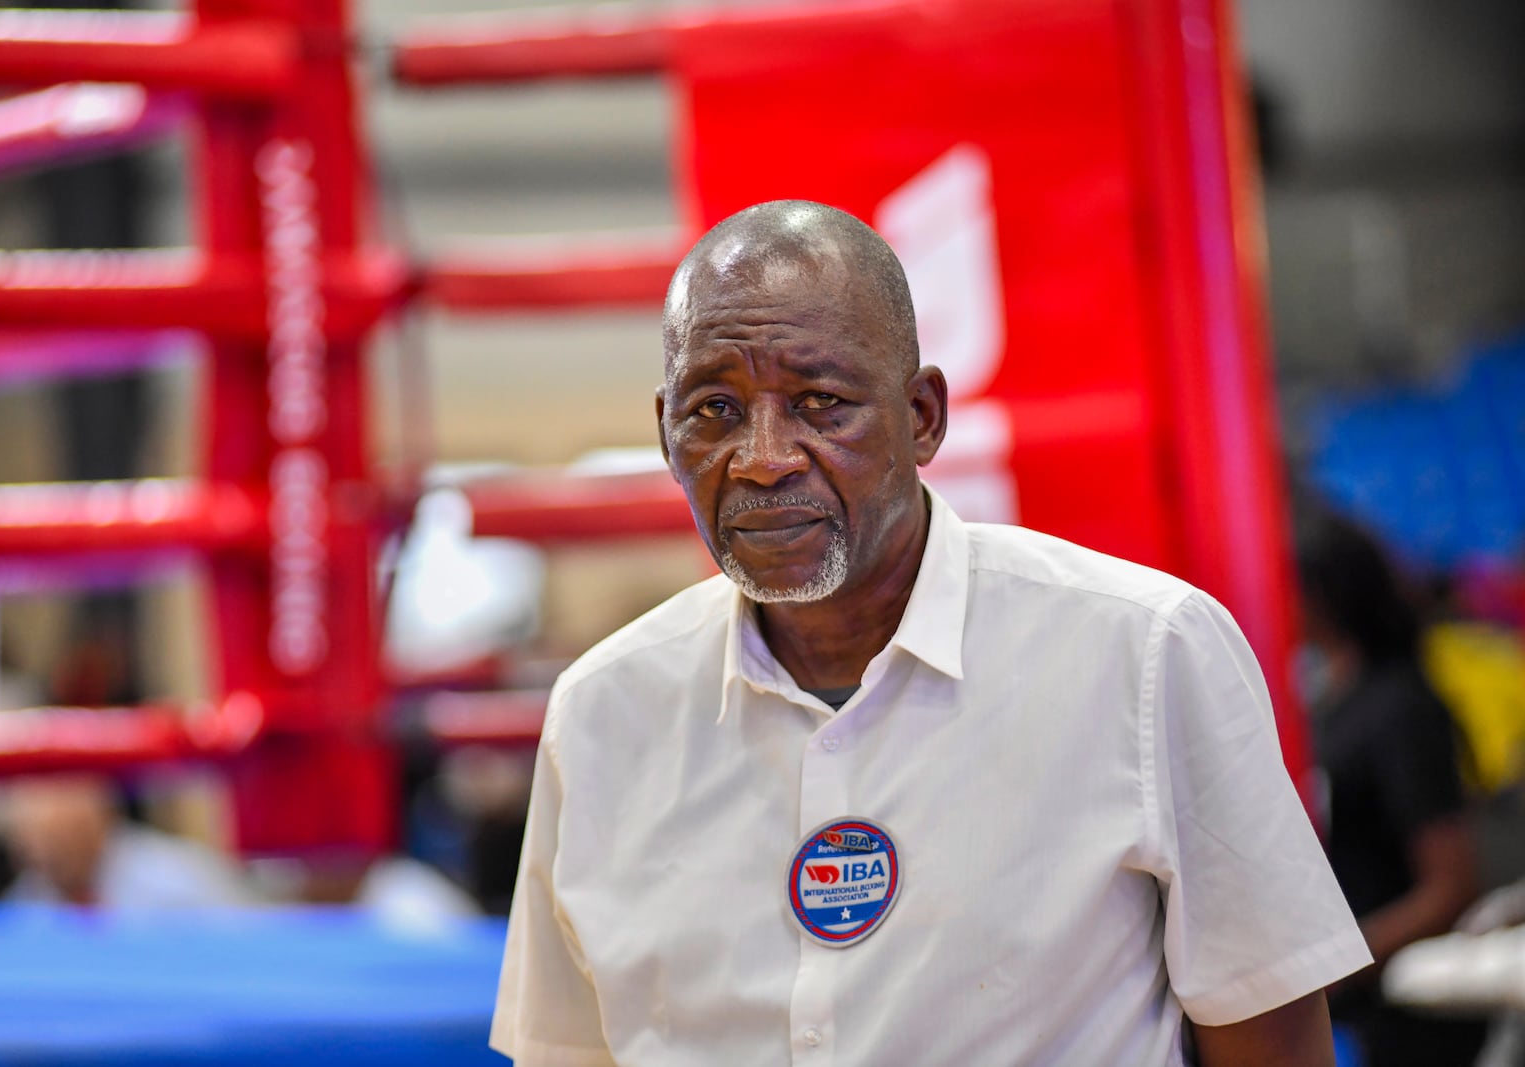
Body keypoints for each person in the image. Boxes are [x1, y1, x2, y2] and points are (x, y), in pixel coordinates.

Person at [491, 201, 1370, 1065]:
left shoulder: (1143, 653)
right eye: (713, 409)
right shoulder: (604, 713)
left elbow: (1274, 1042)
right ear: (664, 430)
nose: (762, 456)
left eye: (820, 402)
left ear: (921, 418)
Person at [1295, 511, 1486, 1065]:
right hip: (1354, 1008)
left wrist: (1332, 966)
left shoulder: (1401, 708)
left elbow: (1449, 885)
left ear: (1326, 591)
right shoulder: (1324, 698)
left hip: (1410, 1021)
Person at [4, 773, 251, 909]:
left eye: (57, 842)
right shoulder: (30, 899)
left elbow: (250, 950)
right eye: (33, 849)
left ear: (97, 822)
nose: (46, 863)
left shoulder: (177, 881)